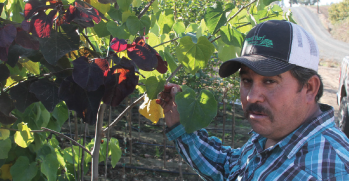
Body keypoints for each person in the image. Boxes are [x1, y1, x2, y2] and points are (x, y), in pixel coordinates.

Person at [159, 20, 349, 180]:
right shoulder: (275, 134)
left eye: (269, 81)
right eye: (247, 80)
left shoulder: (330, 170)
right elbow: (232, 168)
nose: (251, 96)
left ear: (309, 88)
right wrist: (180, 124)